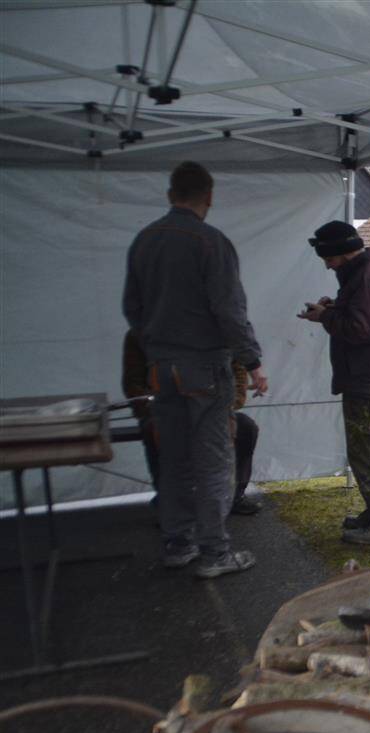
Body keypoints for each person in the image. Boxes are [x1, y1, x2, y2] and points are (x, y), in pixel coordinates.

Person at [122, 161, 268, 578]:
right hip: (204, 368)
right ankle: (215, 554)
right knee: (213, 461)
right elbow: (229, 310)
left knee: (174, 458)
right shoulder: (211, 243)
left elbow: (131, 307)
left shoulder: (144, 241)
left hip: (160, 368)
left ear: (171, 195)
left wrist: (156, 346)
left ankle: (177, 544)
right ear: (209, 197)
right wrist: (253, 362)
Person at [299, 220, 370, 545]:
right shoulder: (360, 275)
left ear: (344, 252)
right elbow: (360, 318)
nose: (327, 265)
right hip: (363, 378)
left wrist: (325, 316)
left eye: (329, 258)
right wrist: (333, 309)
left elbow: (363, 330)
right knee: (362, 452)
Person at [121, 330, 262, 516]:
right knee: (153, 430)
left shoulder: (217, 329)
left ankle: (233, 495)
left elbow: (237, 373)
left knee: (245, 428)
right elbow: (133, 383)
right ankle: (169, 501)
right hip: (163, 410)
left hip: (213, 408)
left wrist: (224, 405)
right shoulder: (140, 334)